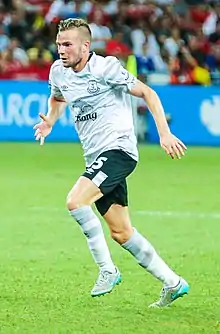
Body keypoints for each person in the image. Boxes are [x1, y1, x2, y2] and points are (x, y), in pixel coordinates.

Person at [33, 18, 189, 308]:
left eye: (67, 45)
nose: (61, 50)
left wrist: (164, 133)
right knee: (121, 232)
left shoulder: (105, 68)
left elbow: (148, 92)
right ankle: (173, 283)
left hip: (118, 150)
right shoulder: (59, 71)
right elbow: (57, 99)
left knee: (75, 201)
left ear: (85, 45)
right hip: (95, 155)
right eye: (58, 45)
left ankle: (108, 270)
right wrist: (50, 122)